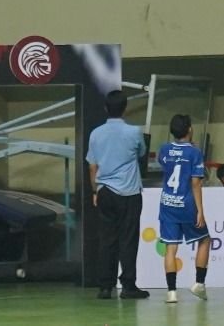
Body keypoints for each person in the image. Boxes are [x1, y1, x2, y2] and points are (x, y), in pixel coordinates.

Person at [86, 90, 149, 301]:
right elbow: (141, 154)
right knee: (128, 240)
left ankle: (105, 287)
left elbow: (92, 166)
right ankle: (129, 286)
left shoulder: (96, 134)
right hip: (129, 192)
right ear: (125, 108)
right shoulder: (134, 132)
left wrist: (95, 191)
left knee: (107, 240)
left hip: (104, 192)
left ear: (106, 108)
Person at [158, 113, 211, 304]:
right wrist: (200, 210)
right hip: (186, 204)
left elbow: (166, 167)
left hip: (167, 204)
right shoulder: (194, 152)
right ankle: (199, 284)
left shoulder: (164, 149)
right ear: (190, 129)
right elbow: (195, 183)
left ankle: (171, 292)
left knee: (171, 247)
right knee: (205, 240)